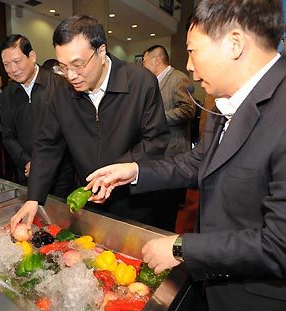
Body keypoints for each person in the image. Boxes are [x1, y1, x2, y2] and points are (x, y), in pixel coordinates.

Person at [85, 1, 286, 310]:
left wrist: (182, 248)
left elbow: (278, 245)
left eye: (192, 51)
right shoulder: (226, 100)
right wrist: (133, 171)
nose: (189, 65)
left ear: (234, 43)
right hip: (221, 284)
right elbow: (197, 163)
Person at [10, 15, 170, 231]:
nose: (71, 76)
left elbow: (155, 141)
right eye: (63, 67)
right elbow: (48, 144)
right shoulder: (61, 90)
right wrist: (34, 198)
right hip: (88, 198)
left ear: (101, 52)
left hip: (133, 200)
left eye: (78, 65)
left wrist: (113, 177)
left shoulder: (141, 82)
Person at [0, 34, 74, 198]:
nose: (12, 69)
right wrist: (27, 162)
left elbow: (71, 131)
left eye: (17, 61)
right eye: (6, 64)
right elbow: (8, 135)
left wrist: (45, 162)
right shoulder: (7, 94)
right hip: (27, 172)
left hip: (61, 173)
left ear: (32, 56)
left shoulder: (61, 85)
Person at [142, 45, 196, 231]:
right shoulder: (152, 82)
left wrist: (158, 117)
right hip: (157, 154)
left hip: (175, 151)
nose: (143, 64)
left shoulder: (178, 78)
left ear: (156, 59)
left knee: (168, 210)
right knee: (156, 207)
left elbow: (188, 110)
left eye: (144, 60)